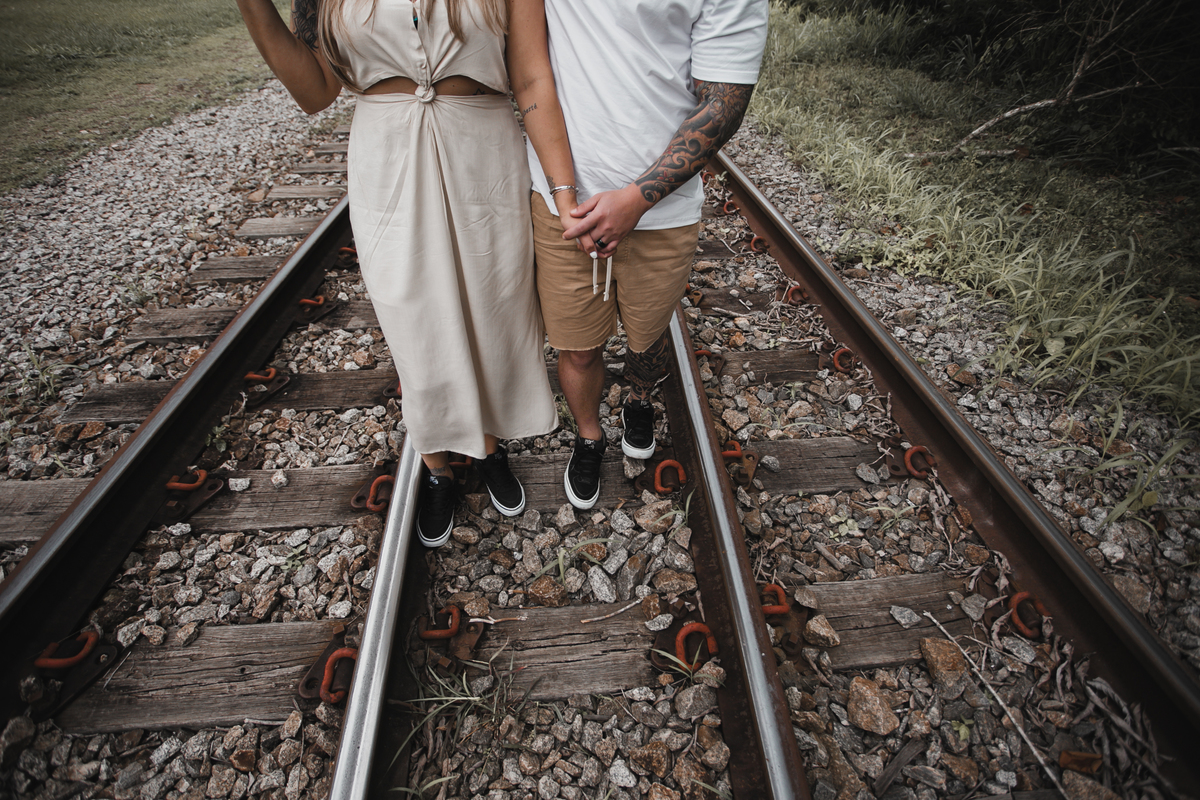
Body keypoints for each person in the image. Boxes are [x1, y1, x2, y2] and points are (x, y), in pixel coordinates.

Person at [236, 0, 590, 545]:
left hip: (484, 153)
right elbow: (315, 92)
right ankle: (437, 465)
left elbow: (529, 75)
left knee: (494, 306)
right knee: (413, 320)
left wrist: (563, 190)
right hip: (388, 155)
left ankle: (489, 445)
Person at [527, 0, 769, 509]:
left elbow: (725, 99)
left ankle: (638, 400)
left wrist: (637, 200)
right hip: (563, 206)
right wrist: (564, 198)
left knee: (649, 334)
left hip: (665, 211)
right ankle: (589, 435)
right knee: (576, 347)